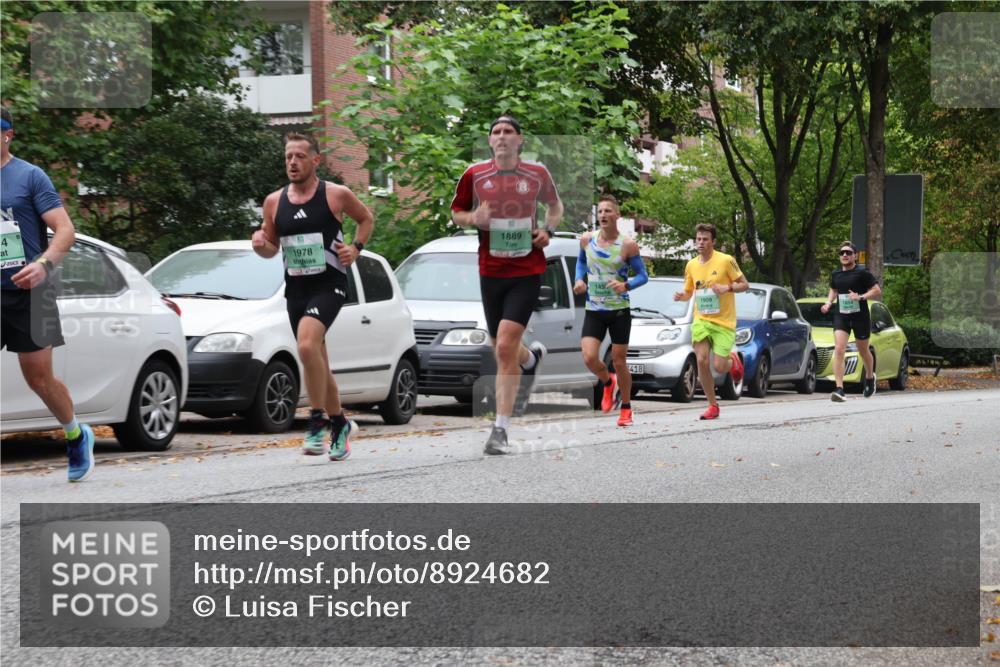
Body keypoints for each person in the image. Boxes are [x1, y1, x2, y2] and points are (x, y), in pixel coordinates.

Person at [252, 132, 373, 460]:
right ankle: (340, 424)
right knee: (317, 360)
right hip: (297, 289)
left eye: (299, 156)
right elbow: (271, 246)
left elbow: (366, 219)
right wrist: (261, 246)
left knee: (306, 346)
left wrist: (355, 249)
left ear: (315, 160)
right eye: (288, 156)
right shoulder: (274, 202)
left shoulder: (336, 195)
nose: (292, 162)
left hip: (329, 284)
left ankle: (316, 421)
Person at [451, 114, 563, 455]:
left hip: (527, 270)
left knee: (502, 348)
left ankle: (499, 430)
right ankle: (530, 359)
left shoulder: (537, 174)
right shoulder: (474, 175)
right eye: (496, 132)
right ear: (489, 142)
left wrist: (548, 231)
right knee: (504, 345)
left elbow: (555, 207)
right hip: (491, 271)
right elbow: (457, 212)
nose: (501, 137)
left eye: (508, 132)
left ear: (519, 140)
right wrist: (474, 218)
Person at [1, 107, 95, 481]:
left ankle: (75, 433)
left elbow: (65, 229)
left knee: (38, 377)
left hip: (31, 291)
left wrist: (44, 264)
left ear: (8, 134)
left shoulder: (30, 177)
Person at [573, 194, 647, 427]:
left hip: (618, 311)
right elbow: (581, 262)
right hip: (594, 308)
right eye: (601, 212)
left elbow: (644, 276)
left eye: (608, 211)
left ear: (617, 215)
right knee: (589, 357)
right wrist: (578, 280)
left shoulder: (627, 245)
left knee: (619, 361)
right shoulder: (587, 239)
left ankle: (625, 407)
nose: (603, 215)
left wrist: (625, 285)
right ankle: (607, 382)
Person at [673, 223, 748, 420]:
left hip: (724, 322)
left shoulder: (726, 261)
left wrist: (727, 288)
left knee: (721, 366)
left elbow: (744, 284)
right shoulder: (691, 265)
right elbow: (690, 291)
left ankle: (734, 362)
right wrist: (682, 295)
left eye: (705, 239)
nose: (701, 242)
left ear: (713, 242)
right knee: (702, 360)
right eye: (698, 239)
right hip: (702, 319)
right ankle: (712, 406)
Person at [820, 240, 881, 401]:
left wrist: (860, 297)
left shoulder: (862, 272)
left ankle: (869, 377)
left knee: (863, 350)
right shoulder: (836, 274)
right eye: (842, 253)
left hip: (860, 316)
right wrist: (828, 303)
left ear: (855, 256)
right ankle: (839, 389)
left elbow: (876, 290)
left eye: (848, 253)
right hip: (842, 315)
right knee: (839, 349)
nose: (845, 255)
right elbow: (833, 290)